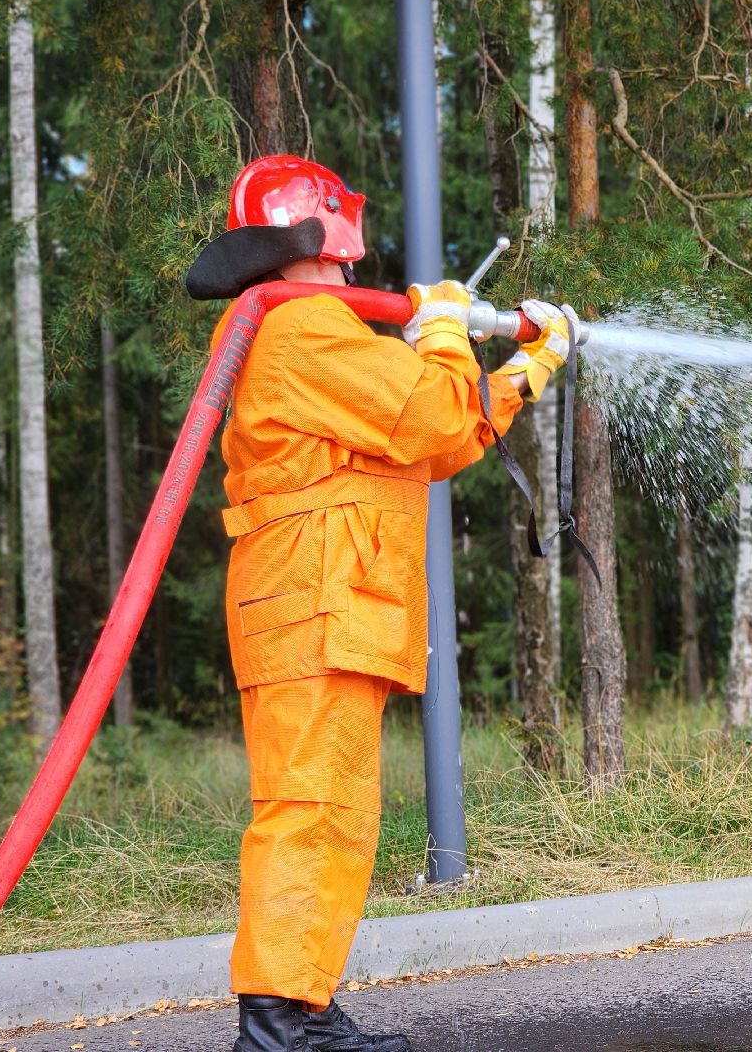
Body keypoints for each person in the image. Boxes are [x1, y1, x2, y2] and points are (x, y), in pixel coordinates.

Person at [188, 155, 571, 1052]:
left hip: (323, 599)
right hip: (316, 600)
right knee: (313, 808)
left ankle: (301, 1005)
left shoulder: (305, 330)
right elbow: (432, 415)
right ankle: (280, 1020)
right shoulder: (302, 327)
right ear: (316, 236)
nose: (356, 267)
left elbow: (427, 440)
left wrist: (527, 368)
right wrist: (442, 327)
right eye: (345, 249)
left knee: (333, 810)